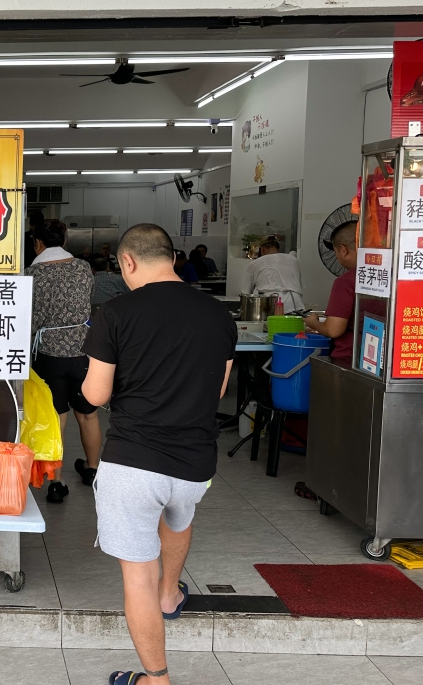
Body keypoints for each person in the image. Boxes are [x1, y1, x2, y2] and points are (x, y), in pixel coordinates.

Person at [81, 224, 236, 685]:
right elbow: (219, 390)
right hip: (194, 463)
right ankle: (172, 595)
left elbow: (94, 393)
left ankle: (156, 679)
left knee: (137, 578)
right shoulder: (218, 314)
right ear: (170, 256)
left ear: (127, 262)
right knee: (178, 521)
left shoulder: (115, 312)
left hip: (133, 463)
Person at [26, 219, 103, 503]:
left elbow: (30, 318)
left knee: (56, 418)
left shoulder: (31, 274)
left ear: (37, 243)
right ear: (65, 240)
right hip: (84, 352)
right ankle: (92, 470)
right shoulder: (83, 268)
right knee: (88, 414)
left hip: (48, 356)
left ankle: (55, 482)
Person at [304, 220, 358, 366]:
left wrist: (313, 322)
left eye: (335, 253)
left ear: (343, 250)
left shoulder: (345, 282)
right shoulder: (389, 277)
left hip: (349, 359)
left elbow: (333, 330)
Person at [242, 238, 304, 313]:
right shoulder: (294, 260)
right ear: (279, 248)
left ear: (262, 250)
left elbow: (246, 293)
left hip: (269, 305)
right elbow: (300, 285)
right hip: (294, 304)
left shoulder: (255, 263)